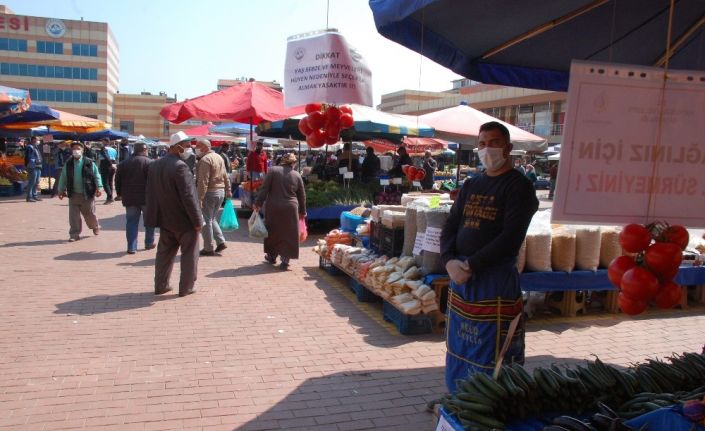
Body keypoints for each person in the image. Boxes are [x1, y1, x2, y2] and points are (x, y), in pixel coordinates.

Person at [440, 121, 538, 392]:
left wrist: (471, 264)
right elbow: (451, 224)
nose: (487, 149)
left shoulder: (519, 187)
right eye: (482, 143)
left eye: (493, 143)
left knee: (493, 351)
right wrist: (448, 260)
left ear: (508, 148)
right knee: (461, 347)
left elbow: (511, 238)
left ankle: (490, 406)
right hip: (461, 280)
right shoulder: (472, 184)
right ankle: (458, 399)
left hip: (494, 282)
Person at [145, 131, 203, 297]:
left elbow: (151, 193)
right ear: (177, 148)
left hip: (164, 218)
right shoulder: (180, 167)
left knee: (164, 254)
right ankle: (186, 287)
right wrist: (198, 220)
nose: (189, 149)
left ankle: (161, 285)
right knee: (190, 254)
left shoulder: (155, 165)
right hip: (184, 220)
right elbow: (189, 196)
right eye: (186, 146)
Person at [253, 153, 306, 270]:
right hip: (290, 208)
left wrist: (258, 203)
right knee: (289, 233)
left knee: (273, 232)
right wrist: (303, 211)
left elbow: (264, 189)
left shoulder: (273, 171)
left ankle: (272, 256)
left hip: (274, 207)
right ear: (293, 163)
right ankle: (285, 259)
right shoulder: (297, 175)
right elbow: (301, 195)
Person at [57, 141, 104, 242]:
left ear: (82, 150)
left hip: (87, 192)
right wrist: (60, 190)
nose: (76, 151)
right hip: (73, 193)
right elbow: (63, 177)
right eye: (74, 149)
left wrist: (99, 187)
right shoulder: (68, 163)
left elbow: (96, 175)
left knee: (90, 214)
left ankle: (95, 226)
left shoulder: (89, 162)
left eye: (78, 149)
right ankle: (74, 234)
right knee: (73, 216)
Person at [115, 142, 155, 254]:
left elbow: (117, 180)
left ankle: (131, 247)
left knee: (131, 222)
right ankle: (149, 242)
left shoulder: (123, 163)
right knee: (149, 221)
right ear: (144, 149)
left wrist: (119, 193)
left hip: (130, 197)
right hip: (147, 198)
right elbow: (154, 181)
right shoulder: (150, 162)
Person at [194, 138, 231, 257]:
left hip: (209, 192)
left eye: (198, 146)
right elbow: (226, 175)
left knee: (206, 221)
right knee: (212, 218)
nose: (196, 148)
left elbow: (203, 181)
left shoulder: (205, 160)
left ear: (205, 147)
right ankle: (221, 242)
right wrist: (228, 189)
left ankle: (208, 247)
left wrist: (199, 198)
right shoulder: (219, 157)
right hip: (220, 192)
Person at [98, 139, 117, 204]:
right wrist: (113, 165)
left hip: (106, 165)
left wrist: (110, 164)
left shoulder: (103, 148)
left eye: (102, 141)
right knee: (110, 182)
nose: (101, 142)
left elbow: (106, 156)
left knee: (105, 183)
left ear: (106, 142)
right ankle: (109, 198)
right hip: (113, 165)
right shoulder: (114, 149)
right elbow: (115, 158)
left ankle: (110, 197)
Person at [24, 137, 43, 202]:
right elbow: (28, 157)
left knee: (37, 181)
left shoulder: (36, 147)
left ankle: (34, 196)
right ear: (33, 140)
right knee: (32, 181)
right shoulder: (29, 147)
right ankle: (29, 197)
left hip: (38, 166)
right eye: (37, 139)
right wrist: (31, 163)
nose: (38, 141)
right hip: (32, 166)